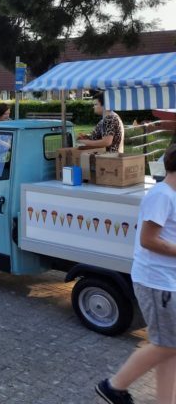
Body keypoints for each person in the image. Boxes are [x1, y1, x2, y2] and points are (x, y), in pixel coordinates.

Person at [95, 144, 176, 404]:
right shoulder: (162, 195)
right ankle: (114, 386)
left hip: (166, 281)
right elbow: (148, 240)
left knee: (169, 347)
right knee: (166, 345)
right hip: (156, 282)